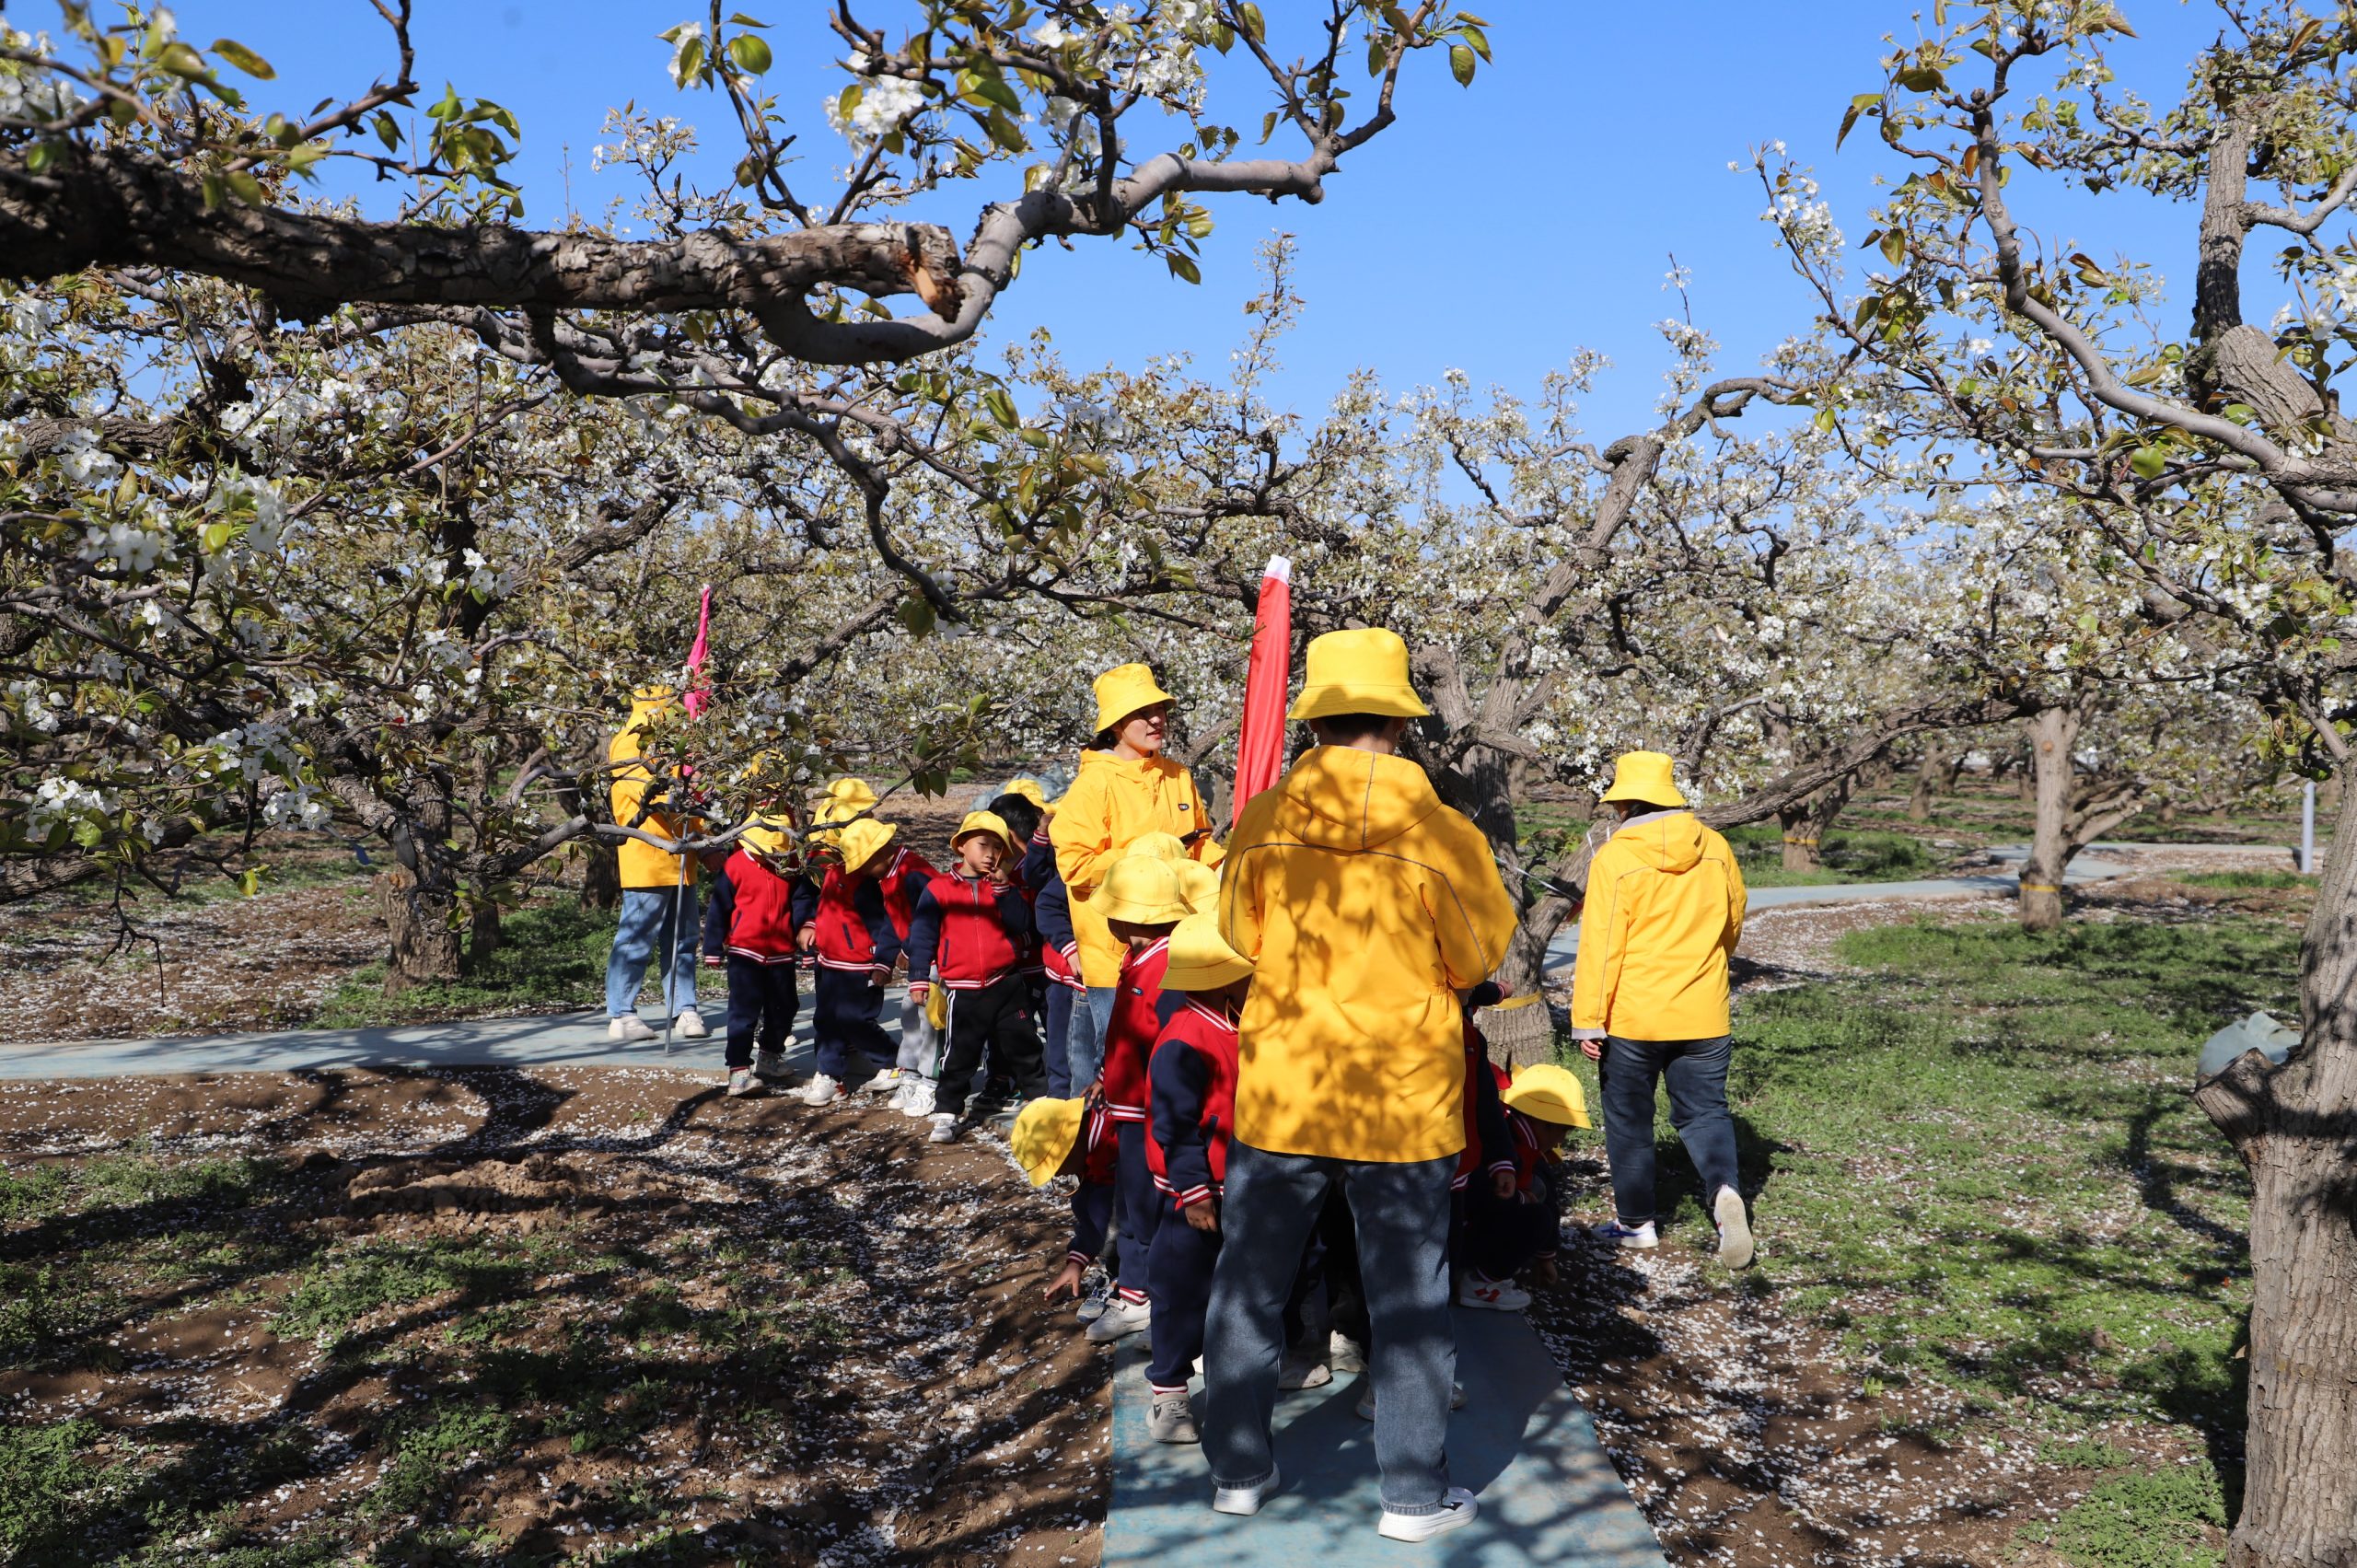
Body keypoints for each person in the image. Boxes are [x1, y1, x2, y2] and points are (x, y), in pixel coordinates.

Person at [1202, 627, 1518, 1543]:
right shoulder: (1443, 834)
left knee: (1249, 1283)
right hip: (1401, 1100)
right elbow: (1474, 955)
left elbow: (1238, 935)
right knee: (1410, 1297)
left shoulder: (1262, 819)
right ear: (1397, 723)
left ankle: (1236, 1470)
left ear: (1319, 721)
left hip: (1285, 1086)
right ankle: (1413, 1494)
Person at [1571, 750, 1754, 1267]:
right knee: (1705, 1112)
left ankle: (1636, 1226)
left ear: (1626, 802)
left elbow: (1602, 945)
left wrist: (1589, 1019)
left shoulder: (1615, 857)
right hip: (1704, 1011)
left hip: (1633, 1017)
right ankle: (1723, 1194)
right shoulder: (1716, 847)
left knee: (1630, 1120)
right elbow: (1732, 922)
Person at [1051, 662, 1220, 1093]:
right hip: (1118, 955)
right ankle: (1105, 1154)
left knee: (1174, 1063)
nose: (1157, 719)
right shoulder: (1093, 786)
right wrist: (1146, 852)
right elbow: (1074, 865)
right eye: (1143, 712)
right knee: (1124, 1073)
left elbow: (1201, 849)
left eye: (1160, 709)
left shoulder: (1178, 776)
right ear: (1116, 725)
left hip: (1181, 947)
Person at [1142, 912, 1254, 1445]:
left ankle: (1227, 1370)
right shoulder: (1186, 1038)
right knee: (1181, 1289)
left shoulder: (1238, 1022)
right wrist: (1194, 1192)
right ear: (1219, 976)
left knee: (1234, 1289)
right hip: (1198, 1194)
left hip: (1242, 1185)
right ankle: (1169, 1392)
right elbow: (1173, 1123)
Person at [1085, 854, 1190, 1345]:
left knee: (1145, 1207)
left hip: (1149, 1112)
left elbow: (1164, 1044)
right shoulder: (1140, 960)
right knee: (1130, 1204)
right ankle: (1136, 1292)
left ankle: (1147, 1299)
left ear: (1132, 918)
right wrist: (1109, 1076)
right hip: (1130, 1105)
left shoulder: (1164, 968)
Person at [906, 811, 1046, 1144]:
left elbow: (1022, 924)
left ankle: (1041, 1102)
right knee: (960, 1053)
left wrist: (1004, 892)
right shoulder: (939, 889)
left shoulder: (1004, 887)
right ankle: (946, 1113)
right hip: (965, 990)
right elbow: (922, 935)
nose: (991, 854)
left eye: (999, 848)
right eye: (983, 845)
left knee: (1024, 1044)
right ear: (961, 846)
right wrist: (918, 979)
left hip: (1007, 983)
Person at [792, 818, 927, 1107]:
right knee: (827, 1018)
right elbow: (822, 903)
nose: (862, 870)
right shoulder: (835, 866)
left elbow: (908, 918)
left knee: (857, 1019)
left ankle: (895, 1063)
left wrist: (886, 958)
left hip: (862, 961)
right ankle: (830, 1074)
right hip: (832, 959)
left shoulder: (906, 873)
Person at [605, 686, 708, 1043]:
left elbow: (690, 803)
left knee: (683, 939)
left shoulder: (668, 744)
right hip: (647, 856)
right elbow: (650, 792)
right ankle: (621, 1012)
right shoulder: (630, 742)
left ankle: (684, 1007)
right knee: (636, 938)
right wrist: (686, 790)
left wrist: (701, 834)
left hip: (681, 854)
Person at [1459, 1063, 1591, 1310]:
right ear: (1542, 1123)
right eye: (1564, 1130)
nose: (1562, 1139)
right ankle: (1481, 1284)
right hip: (1458, 1234)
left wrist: (1546, 1255)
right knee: (1537, 1218)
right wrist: (1522, 1200)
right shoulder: (1513, 1149)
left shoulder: (1506, 1130)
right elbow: (1484, 1194)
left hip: (1453, 1229)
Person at [699, 810, 802, 1098]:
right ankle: (739, 1069)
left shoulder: (789, 866)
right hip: (745, 952)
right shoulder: (734, 866)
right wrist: (712, 948)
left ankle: (769, 1056)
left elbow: (800, 902)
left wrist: (805, 934)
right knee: (743, 1012)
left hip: (781, 951)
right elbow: (719, 909)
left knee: (785, 1006)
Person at [1014, 1095, 1121, 1318]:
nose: (1060, 1174)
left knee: (1100, 1203)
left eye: (1056, 1167)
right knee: (1086, 1200)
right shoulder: (1090, 1152)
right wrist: (1077, 1261)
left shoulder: (1113, 1141)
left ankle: (1131, 1282)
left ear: (1068, 1144)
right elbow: (1089, 1220)